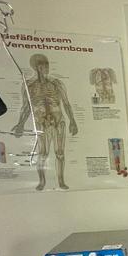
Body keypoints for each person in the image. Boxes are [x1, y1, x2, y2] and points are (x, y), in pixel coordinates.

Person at [12, 53, 78, 190]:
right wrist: (20, 124)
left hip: (58, 120)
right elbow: (26, 107)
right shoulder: (29, 86)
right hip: (41, 121)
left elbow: (66, 103)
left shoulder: (56, 83)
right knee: (43, 153)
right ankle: (42, 181)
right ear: (37, 67)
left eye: (47, 64)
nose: (47, 67)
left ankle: (61, 181)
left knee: (60, 153)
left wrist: (72, 121)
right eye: (43, 65)